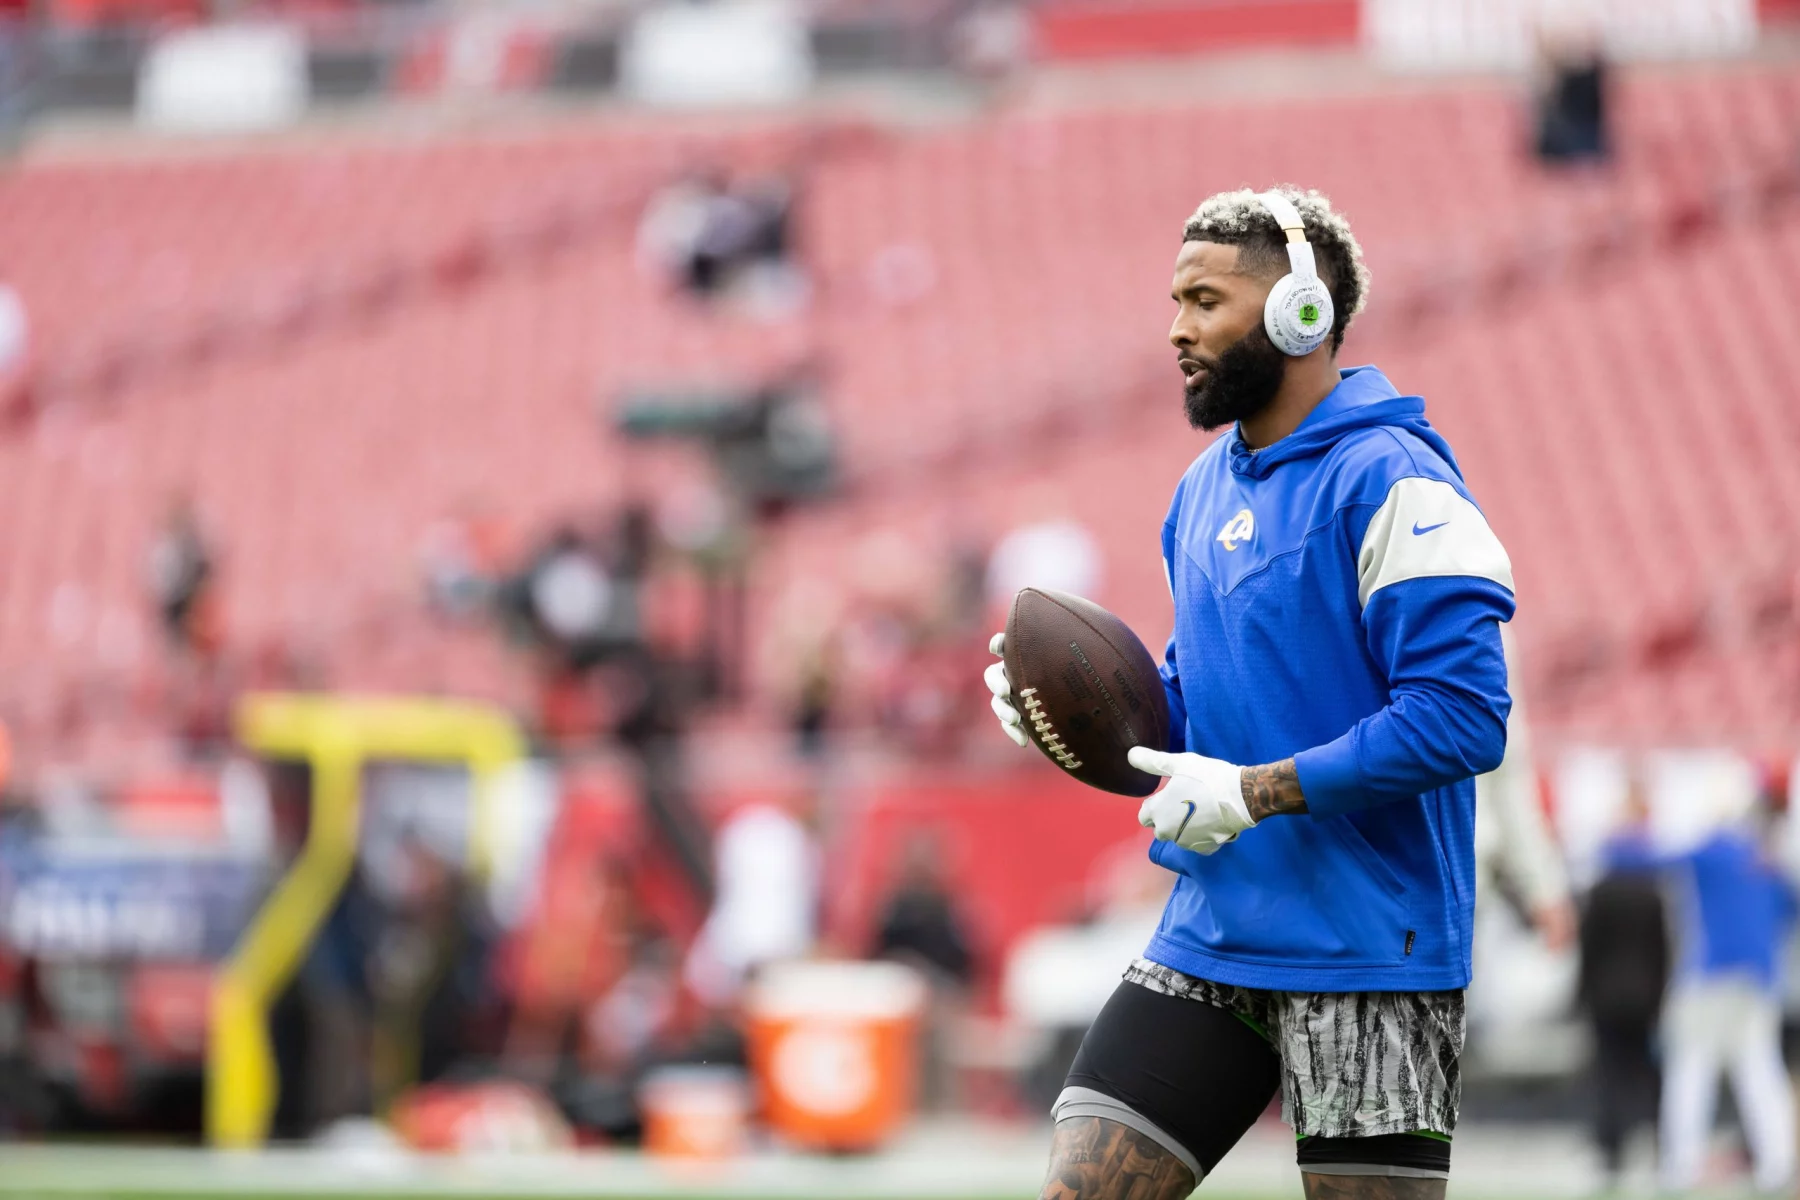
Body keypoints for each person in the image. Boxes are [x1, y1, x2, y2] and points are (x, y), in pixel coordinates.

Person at [985, 188, 1515, 1198]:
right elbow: (1194, 718)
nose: (1176, 327)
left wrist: (1255, 791)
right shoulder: (1201, 490)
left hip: (1374, 951)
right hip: (1218, 928)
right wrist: (1068, 720)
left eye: (1204, 300)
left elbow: (1463, 714)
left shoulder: (1395, 478)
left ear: (1299, 316)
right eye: (1175, 299)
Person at [1656, 812, 1797, 1193]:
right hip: (1757, 979)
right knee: (1759, 1072)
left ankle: (1681, 1165)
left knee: (1692, 1070)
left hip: (1710, 978)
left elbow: (1651, 859)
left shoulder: (1715, 851)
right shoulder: (1767, 860)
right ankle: (1776, 1164)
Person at [1578, 779, 1670, 1188]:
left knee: (1609, 1073)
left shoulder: (1600, 889)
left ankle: (1611, 1149)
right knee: (1646, 1074)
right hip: (1645, 998)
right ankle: (1651, 1144)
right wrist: (1660, 997)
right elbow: (1662, 951)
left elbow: (1589, 948)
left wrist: (1581, 995)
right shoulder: (1654, 891)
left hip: (1605, 997)